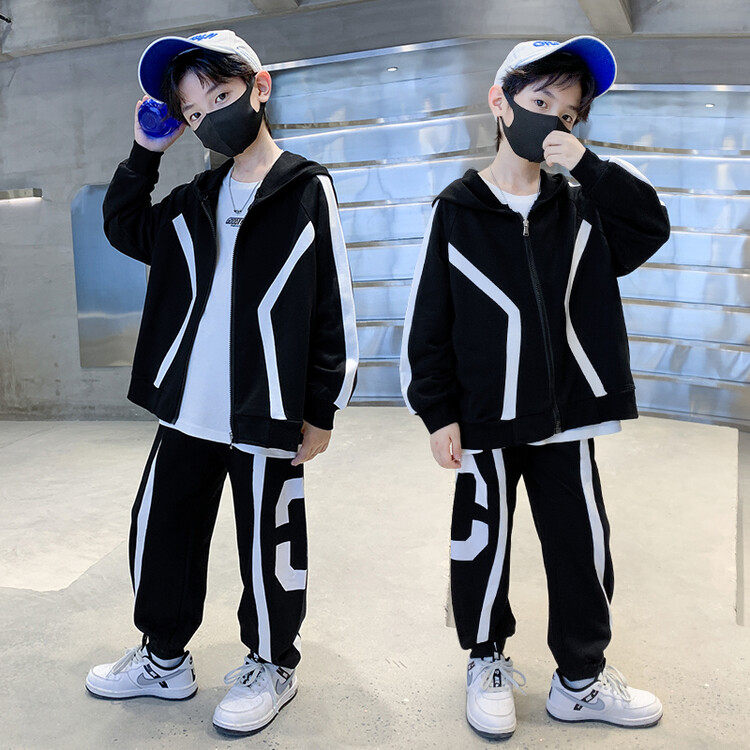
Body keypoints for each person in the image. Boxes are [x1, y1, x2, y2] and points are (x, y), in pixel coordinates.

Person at [84, 29, 359, 737]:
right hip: (189, 408)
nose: (209, 116)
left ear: (259, 88)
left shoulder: (306, 188)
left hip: (267, 407)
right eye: (194, 111)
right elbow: (123, 227)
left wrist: (323, 407)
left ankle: (271, 664)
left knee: (270, 542)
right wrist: (145, 153)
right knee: (161, 532)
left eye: (221, 95)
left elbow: (333, 302)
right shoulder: (194, 198)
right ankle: (163, 659)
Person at [400, 36, 670, 739]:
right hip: (485, 414)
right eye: (541, 102)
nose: (555, 121)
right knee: (481, 543)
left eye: (569, 114)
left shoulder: (582, 205)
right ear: (500, 103)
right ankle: (485, 660)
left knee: (581, 546)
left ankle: (580, 679)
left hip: (568, 414)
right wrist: (437, 412)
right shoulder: (456, 208)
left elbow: (651, 226)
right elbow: (429, 320)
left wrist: (589, 166)